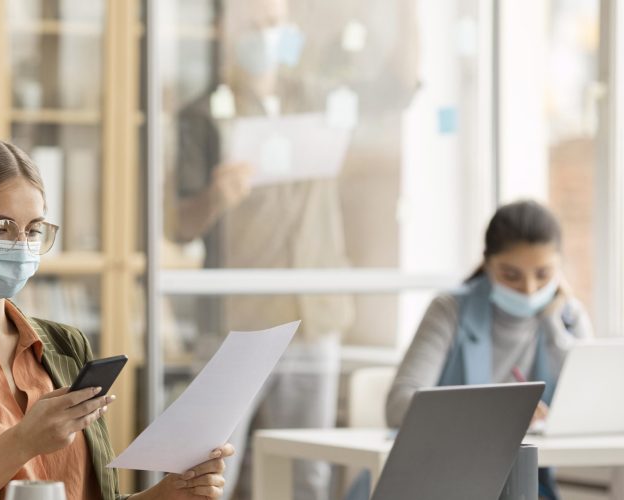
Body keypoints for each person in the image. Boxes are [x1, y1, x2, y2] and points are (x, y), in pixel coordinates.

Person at [0, 137, 234, 500]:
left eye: (32, 230)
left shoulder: (67, 345)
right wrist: (23, 442)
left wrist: (166, 494)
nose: (19, 245)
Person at [171, 0, 354, 499]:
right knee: (208, 469)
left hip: (314, 314)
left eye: (273, 23)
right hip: (238, 322)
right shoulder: (202, 115)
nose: (265, 34)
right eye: (252, 25)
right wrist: (216, 197)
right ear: (225, 33)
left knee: (309, 474)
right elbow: (178, 226)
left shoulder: (320, 102)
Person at [386, 200, 593, 500]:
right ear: (487, 263)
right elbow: (398, 406)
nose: (529, 289)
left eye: (544, 274)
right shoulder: (450, 309)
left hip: (527, 484)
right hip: (442, 479)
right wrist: (503, 415)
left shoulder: (568, 317)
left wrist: (554, 327)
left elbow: (588, 403)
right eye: (511, 275)